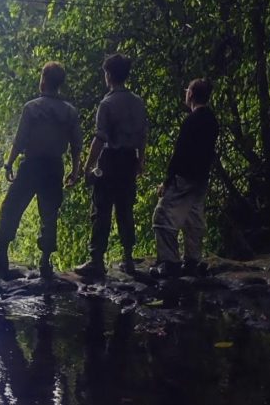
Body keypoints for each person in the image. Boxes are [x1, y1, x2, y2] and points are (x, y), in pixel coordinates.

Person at [0, 62, 83, 279]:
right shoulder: (69, 111)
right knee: (49, 214)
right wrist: (75, 170)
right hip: (54, 167)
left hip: (32, 165)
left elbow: (20, 139)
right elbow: (77, 144)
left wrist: (9, 163)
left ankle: (1, 254)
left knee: (12, 206)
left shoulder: (32, 107)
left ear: (43, 80)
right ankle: (45, 261)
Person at [74, 54, 148, 277]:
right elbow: (143, 134)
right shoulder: (138, 102)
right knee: (126, 209)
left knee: (101, 210)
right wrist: (140, 161)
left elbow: (99, 138)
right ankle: (128, 258)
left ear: (108, 75)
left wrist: (87, 167)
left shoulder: (107, 103)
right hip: (129, 160)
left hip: (110, 160)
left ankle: (97, 260)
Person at [150, 78, 219, 278]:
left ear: (190, 94)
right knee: (193, 218)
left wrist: (168, 181)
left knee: (162, 218)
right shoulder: (212, 120)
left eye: (187, 89)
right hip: (201, 178)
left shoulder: (192, 121)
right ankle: (192, 261)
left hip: (185, 177)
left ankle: (169, 263)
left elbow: (180, 153)